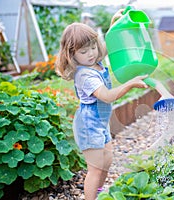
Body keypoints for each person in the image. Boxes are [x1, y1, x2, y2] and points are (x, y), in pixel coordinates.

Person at [55, 9, 148, 200]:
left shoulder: (94, 60)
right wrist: (130, 84)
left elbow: (105, 47)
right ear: (72, 55)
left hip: (100, 123)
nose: (91, 53)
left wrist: (115, 22)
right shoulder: (85, 74)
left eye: (92, 47)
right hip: (89, 125)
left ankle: (97, 194)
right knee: (95, 169)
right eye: (83, 51)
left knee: (106, 163)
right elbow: (106, 96)